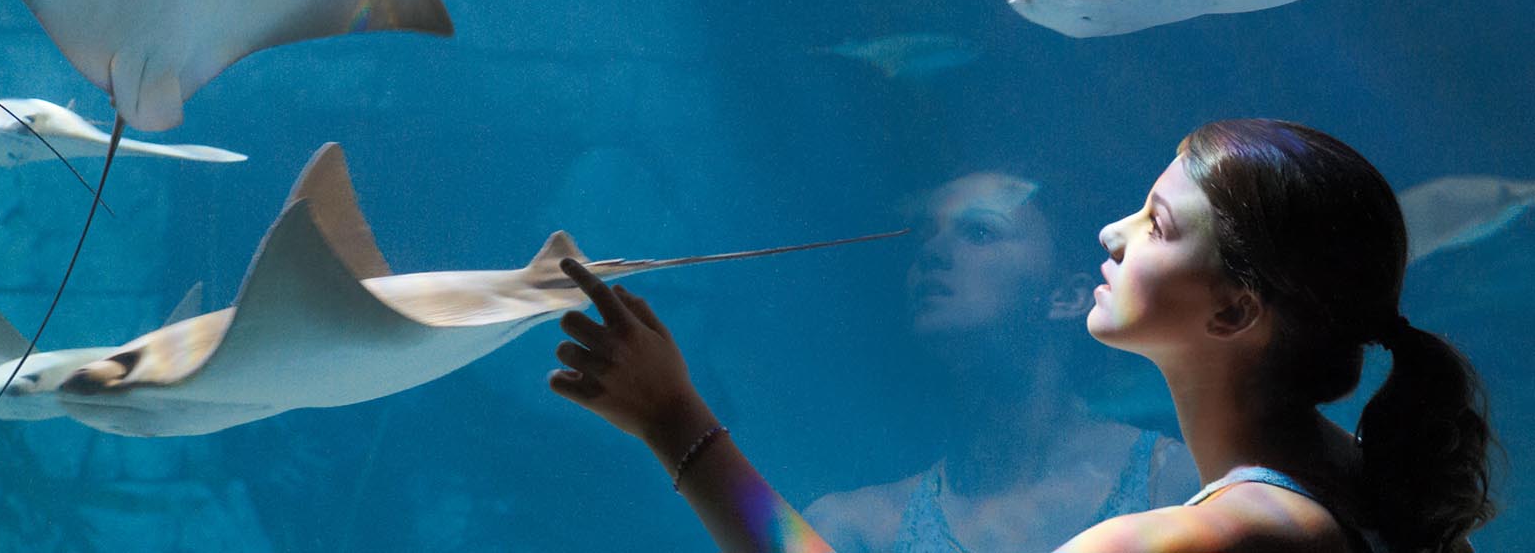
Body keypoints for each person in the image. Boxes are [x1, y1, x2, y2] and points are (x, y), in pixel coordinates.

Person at [550, 119, 1496, 552]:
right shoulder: (1354, 487)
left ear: (1236, 312)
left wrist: (673, 416)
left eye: (1156, 225)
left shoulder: (1202, 534)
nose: (1109, 234)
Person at [801, 171, 1199, 551]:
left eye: (979, 232)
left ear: (1067, 296)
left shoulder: (1180, 490)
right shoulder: (851, 530)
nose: (932, 251)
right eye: (925, 235)